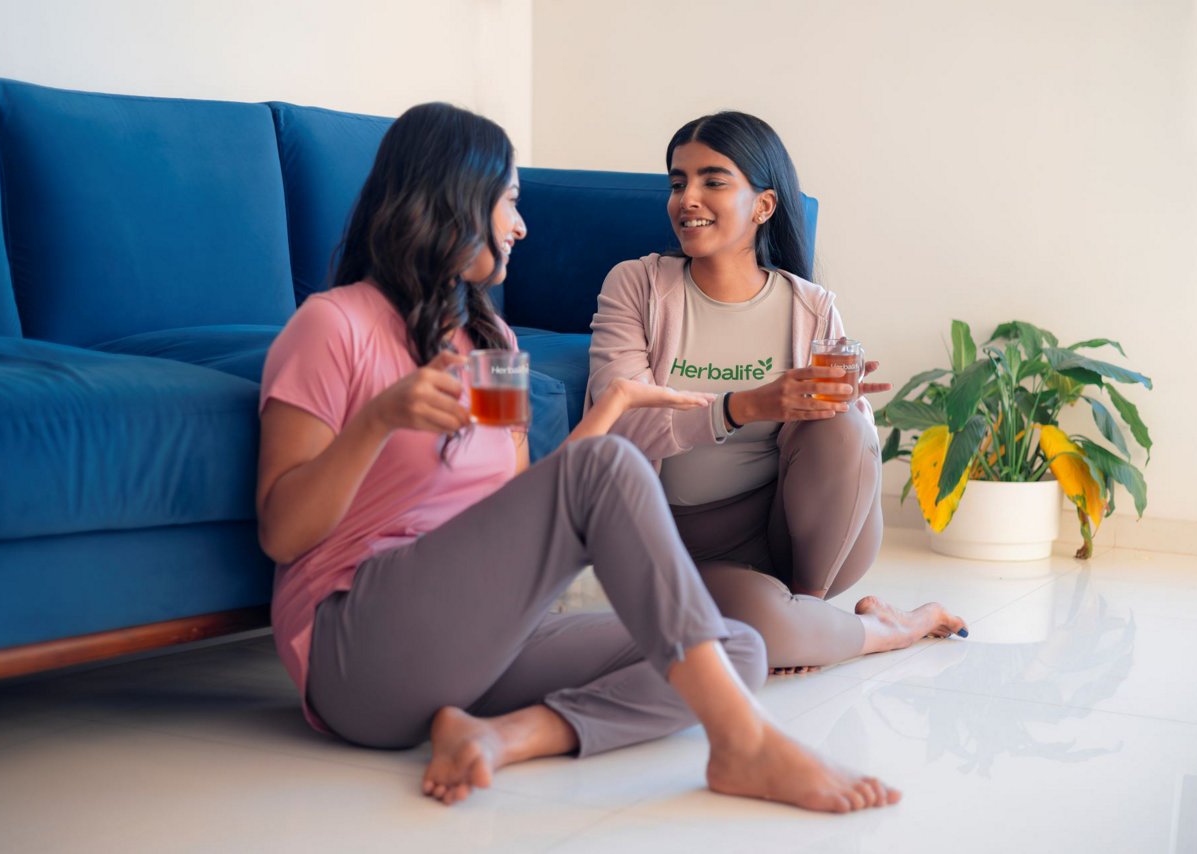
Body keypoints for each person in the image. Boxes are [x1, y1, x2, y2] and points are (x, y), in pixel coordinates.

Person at [257, 102, 903, 812]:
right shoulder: (331, 324)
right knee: (621, 493)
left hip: (475, 643)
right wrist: (378, 420)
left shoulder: (490, 342)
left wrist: (611, 412)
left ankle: (500, 738)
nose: (520, 225)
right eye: (508, 201)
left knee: (738, 649)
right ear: (451, 199)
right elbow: (282, 535)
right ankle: (743, 744)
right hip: (359, 651)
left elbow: (515, 503)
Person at [587, 111, 967, 675]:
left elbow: (844, 451)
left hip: (797, 533)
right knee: (763, 638)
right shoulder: (636, 285)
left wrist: (850, 407)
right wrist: (743, 407)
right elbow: (619, 423)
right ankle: (893, 625)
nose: (686, 198)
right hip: (683, 546)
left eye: (713, 181)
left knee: (838, 420)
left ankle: (808, 609)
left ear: (763, 206)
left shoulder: (811, 306)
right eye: (677, 182)